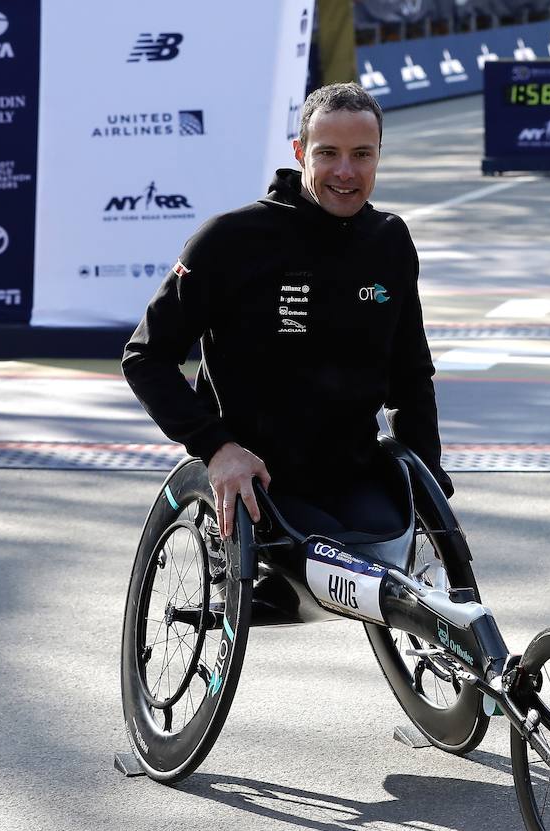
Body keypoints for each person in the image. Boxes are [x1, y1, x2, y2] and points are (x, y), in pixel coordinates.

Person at [123, 82, 452, 548]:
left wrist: (429, 473)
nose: (345, 171)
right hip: (260, 481)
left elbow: (411, 375)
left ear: (379, 154)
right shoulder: (230, 239)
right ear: (300, 153)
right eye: (327, 153)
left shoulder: (389, 240)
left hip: (354, 478)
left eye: (362, 154)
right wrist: (216, 448)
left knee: (398, 563)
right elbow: (145, 356)